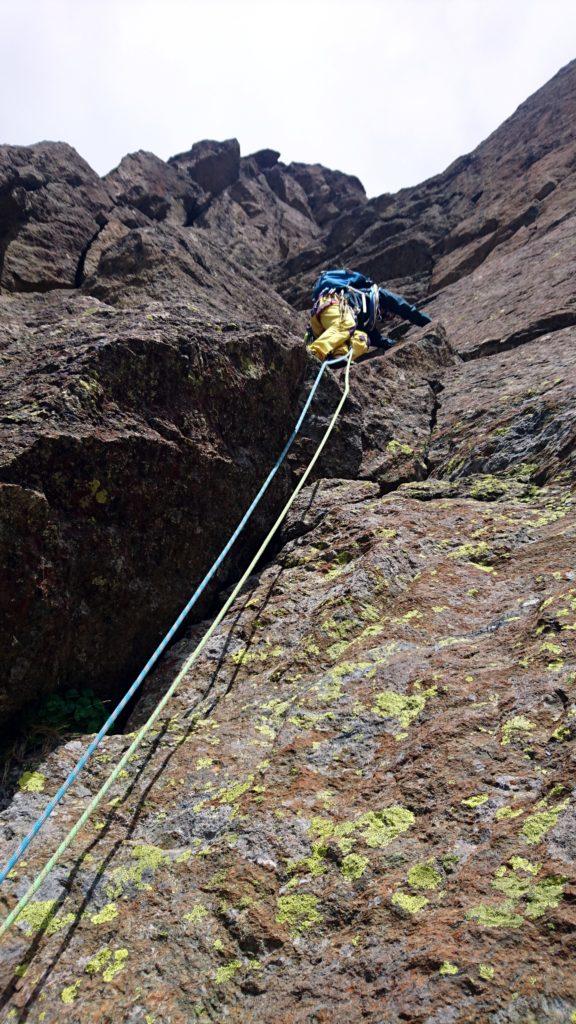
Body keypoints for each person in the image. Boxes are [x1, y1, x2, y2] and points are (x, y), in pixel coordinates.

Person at [306, 267, 432, 362]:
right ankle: (312, 354)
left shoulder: (363, 317)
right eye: (387, 314)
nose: (383, 317)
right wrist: (429, 324)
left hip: (324, 322)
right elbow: (404, 308)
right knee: (346, 324)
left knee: (362, 340)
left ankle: (334, 359)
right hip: (333, 304)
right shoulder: (375, 294)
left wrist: (395, 344)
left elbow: (377, 339)